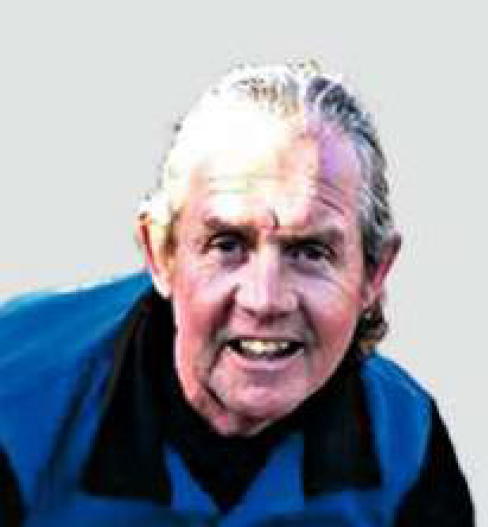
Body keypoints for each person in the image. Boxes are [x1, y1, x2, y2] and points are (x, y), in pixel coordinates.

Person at [0, 61, 473, 526]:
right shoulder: (16, 408)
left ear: (374, 273)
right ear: (161, 254)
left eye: (310, 252)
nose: (265, 300)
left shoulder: (406, 441)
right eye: (227, 245)